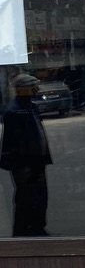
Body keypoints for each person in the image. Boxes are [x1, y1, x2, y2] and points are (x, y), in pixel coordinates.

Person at [0, 73, 52, 236]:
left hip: (36, 161)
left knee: (40, 196)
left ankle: (37, 228)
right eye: (33, 86)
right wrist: (21, 166)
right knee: (25, 199)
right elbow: (12, 143)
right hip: (25, 164)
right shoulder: (15, 111)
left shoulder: (30, 107)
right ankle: (22, 233)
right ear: (23, 89)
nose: (37, 89)